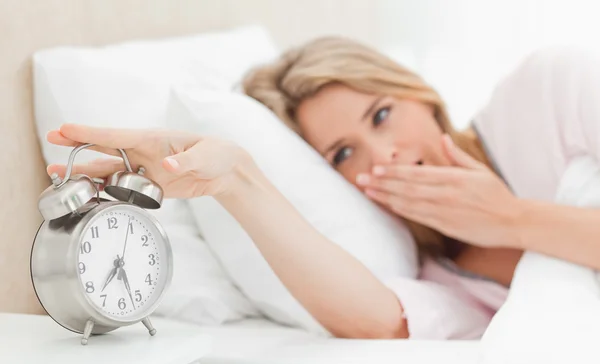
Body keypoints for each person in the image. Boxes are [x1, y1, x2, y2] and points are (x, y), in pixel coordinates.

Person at [47, 37, 600, 340]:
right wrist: (238, 180)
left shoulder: (548, 90)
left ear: (420, 95)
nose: (383, 156)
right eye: (343, 154)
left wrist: (508, 220)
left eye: (382, 114)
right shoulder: (434, 271)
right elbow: (374, 319)